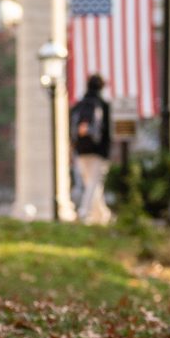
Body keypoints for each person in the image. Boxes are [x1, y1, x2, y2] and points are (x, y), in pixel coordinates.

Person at [70, 73, 114, 225]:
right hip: (98, 151)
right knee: (93, 183)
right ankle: (85, 212)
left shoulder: (78, 106)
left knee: (91, 183)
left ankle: (102, 214)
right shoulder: (103, 105)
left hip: (81, 149)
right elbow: (108, 131)